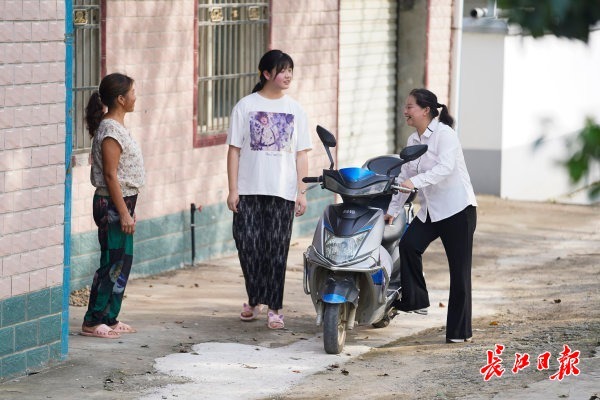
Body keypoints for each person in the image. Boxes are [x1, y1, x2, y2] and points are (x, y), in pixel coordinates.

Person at [226, 50, 312, 329]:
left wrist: (301, 191)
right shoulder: (245, 106)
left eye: (291, 70)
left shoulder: (295, 109)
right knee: (247, 244)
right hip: (249, 190)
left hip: (282, 192)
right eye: (283, 70)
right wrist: (232, 189)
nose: (288, 75)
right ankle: (254, 297)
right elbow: (234, 151)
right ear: (266, 73)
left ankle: (274, 307)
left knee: (277, 251)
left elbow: (301, 154)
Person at [384, 88, 477, 343]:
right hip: (431, 210)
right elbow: (403, 178)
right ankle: (417, 299)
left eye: (410, 107)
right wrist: (392, 211)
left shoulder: (445, 135)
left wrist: (416, 181)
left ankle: (460, 333)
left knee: (459, 273)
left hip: (458, 210)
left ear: (426, 110)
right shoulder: (413, 141)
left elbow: (445, 169)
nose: (405, 111)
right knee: (409, 245)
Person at [81, 73, 145, 339]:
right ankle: (92, 321)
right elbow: (110, 175)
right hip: (112, 203)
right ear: (120, 99)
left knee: (123, 261)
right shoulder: (110, 131)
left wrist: (127, 210)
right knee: (111, 262)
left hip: (123, 202)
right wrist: (122, 212)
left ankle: (110, 316)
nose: (135, 96)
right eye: (132, 92)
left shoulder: (116, 127)